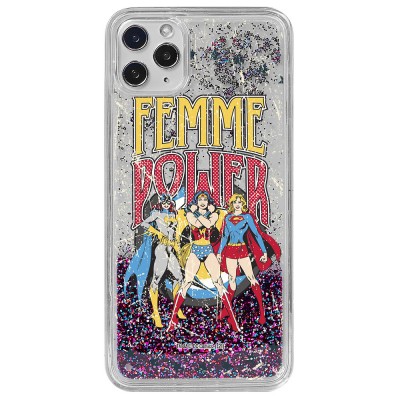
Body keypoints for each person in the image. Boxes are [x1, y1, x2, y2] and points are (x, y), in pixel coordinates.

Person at [167, 191, 239, 332]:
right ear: (196, 201)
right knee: (186, 283)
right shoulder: (191, 214)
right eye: (200, 199)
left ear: (208, 201)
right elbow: (196, 223)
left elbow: (208, 224)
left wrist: (201, 213)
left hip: (208, 249)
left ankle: (233, 320)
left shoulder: (213, 214)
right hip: (195, 250)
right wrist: (202, 213)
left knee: (218, 283)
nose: (202, 202)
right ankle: (173, 319)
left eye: (205, 199)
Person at [217, 194, 268, 324]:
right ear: (232, 204)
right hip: (230, 250)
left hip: (242, 250)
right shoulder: (227, 218)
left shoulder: (247, 217)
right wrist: (219, 252)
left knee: (251, 278)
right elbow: (225, 236)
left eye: (239, 202)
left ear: (243, 203)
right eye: (235, 202)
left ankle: (262, 313)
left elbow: (256, 234)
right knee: (231, 280)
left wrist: (264, 251)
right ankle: (226, 311)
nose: (237, 204)